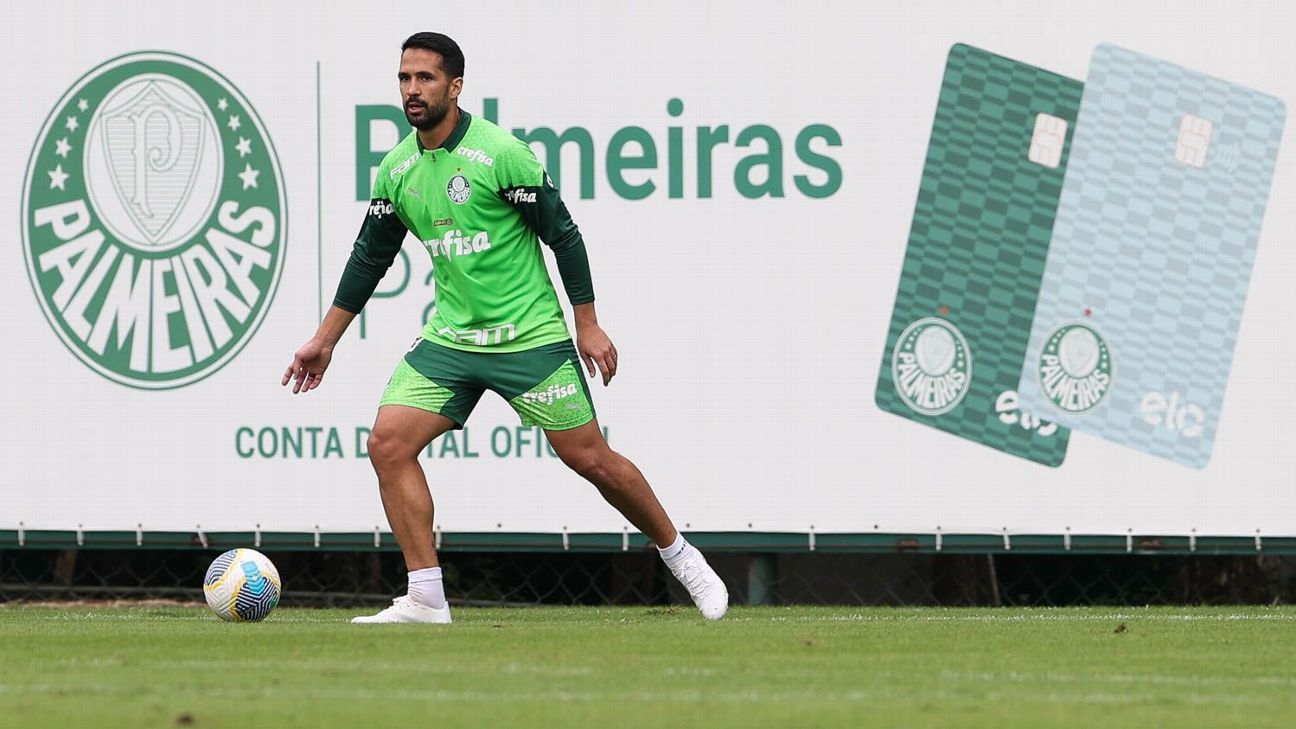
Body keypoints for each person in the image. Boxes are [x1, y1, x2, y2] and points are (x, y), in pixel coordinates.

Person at [283, 32, 728, 623]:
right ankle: (425, 597)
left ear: (456, 86)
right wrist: (325, 340)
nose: (412, 91)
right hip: (452, 341)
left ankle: (682, 558)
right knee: (388, 444)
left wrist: (587, 324)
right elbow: (370, 257)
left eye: (426, 79)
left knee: (590, 458)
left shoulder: (500, 153)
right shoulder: (397, 168)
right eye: (404, 79)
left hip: (530, 339)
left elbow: (562, 234)